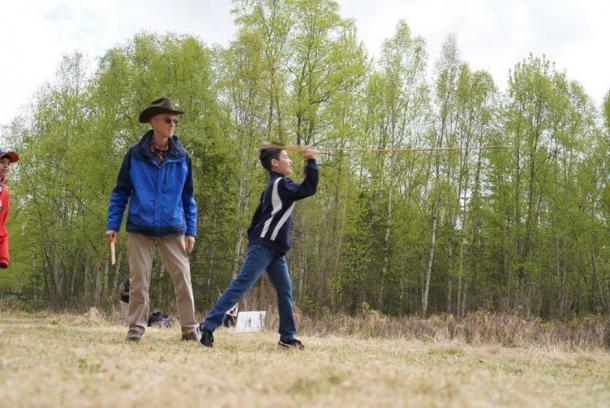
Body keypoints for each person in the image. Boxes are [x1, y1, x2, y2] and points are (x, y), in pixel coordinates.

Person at [199, 145, 318, 349]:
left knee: (285, 291)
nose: (290, 161)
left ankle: (286, 338)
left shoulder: (272, 187)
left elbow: (257, 217)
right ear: (274, 163)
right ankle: (208, 325)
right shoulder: (281, 184)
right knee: (241, 285)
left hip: (274, 250)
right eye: (286, 157)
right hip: (264, 247)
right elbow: (308, 188)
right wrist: (311, 161)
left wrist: (253, 237)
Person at [106, 97, 199, 343]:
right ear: (153, 122)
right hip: (140, 226)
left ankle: (190, 329)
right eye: (168, 119)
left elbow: (188, 197)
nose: (172, 124)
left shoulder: (182, 157)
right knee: (139, 280)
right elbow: (120, 191)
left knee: (183, 277)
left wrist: (191, 231)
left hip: (173, 227)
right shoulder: (134, 154)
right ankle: (135, 328)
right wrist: (112, 224)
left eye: (174, 120)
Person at [0, 149, 19, 268]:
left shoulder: (5, 193)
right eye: (2, 162)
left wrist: (3, 256)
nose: (6, 166)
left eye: (8, 164)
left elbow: (1, 225)